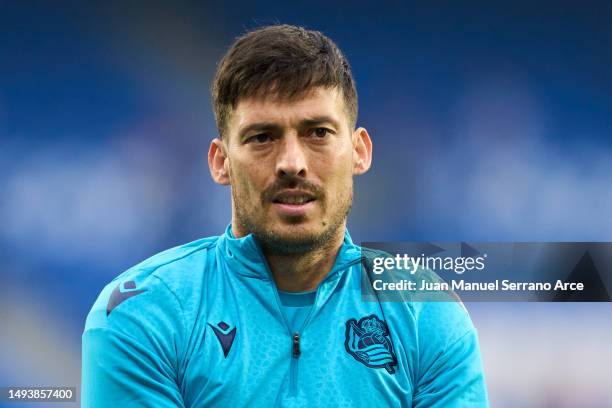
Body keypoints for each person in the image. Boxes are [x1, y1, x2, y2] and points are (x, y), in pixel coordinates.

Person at [82, 24, 488, 407]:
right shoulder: (146, 311)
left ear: (360, 151)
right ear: (221, 162)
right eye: (262, 137)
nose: (291, 163)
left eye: (318, 133)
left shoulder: (425, 311)